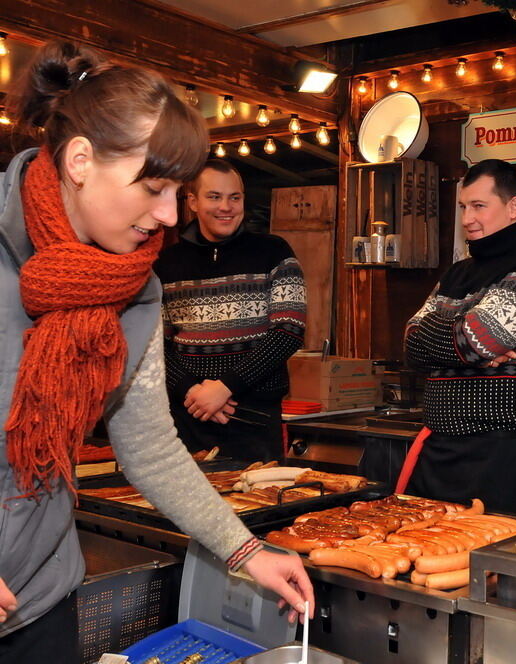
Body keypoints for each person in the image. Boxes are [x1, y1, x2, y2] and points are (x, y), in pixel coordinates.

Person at [0, 42, 312, 662]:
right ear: (82, 160)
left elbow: (148, 446)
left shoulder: (136, 293)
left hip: (41, 601)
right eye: (154, 188)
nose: (170, 215)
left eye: (178, 192)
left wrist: (246, 550)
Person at [399, 159, 516, 520]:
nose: (466, 219)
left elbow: (473, 342)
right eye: (462, 206)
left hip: (502, 462)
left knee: (493, 573)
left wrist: (464, 341)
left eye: (478, 206)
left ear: (513, 208)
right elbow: (411, 344)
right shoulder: (457, 273)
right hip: (438, 457)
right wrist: (466, 341)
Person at [154, 160, 306, 461]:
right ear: (193, 201)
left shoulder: (274, 252)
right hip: (186, 416)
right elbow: (154, 343)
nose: (226, 206)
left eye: (234, 197)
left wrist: (225, 387)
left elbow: (289, 331)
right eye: (214, 197)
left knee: (259, 505)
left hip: (255, 418)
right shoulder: (165, 263)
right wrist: (191, 391)